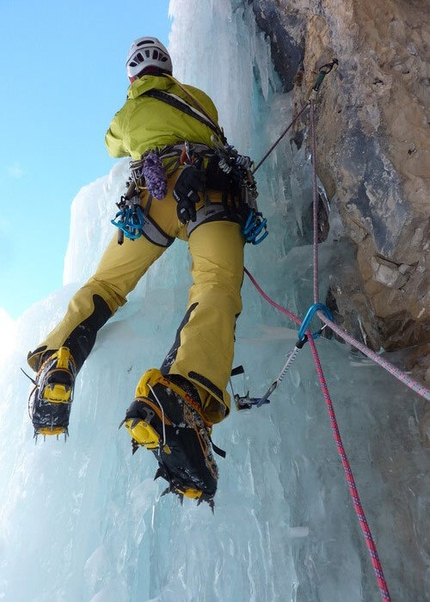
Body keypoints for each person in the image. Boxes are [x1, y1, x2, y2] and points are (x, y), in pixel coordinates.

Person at [26, 37, 263, 505]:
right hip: (210, 192)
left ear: (134, 78)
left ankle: (59, 361)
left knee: (107, 284)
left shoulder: (128, 113)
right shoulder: (200, 99)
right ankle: (180, 394)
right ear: (169, 70)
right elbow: (214, 130)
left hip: (150, 200)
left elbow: (112, 144)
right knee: (216, 285)